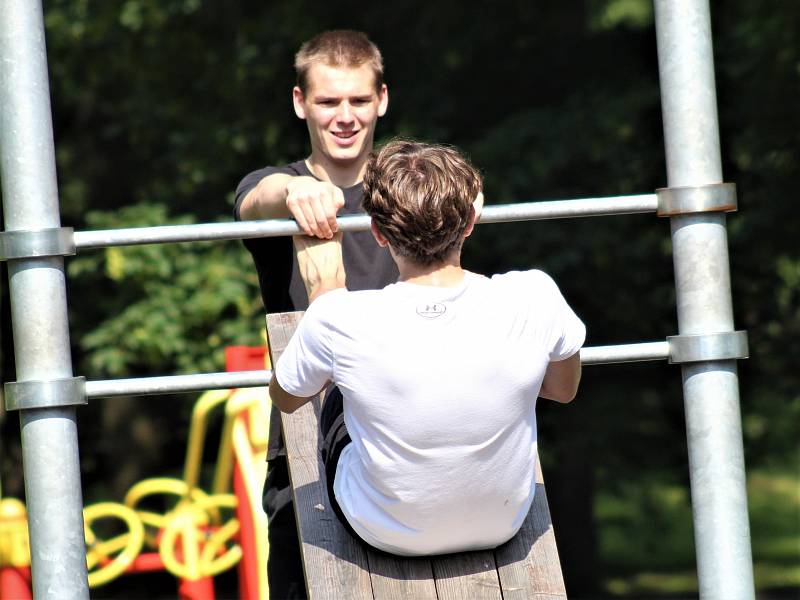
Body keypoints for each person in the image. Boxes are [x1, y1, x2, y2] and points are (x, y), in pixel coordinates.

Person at [269, 140, 585, 556]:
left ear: (378, 233)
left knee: (334, 394)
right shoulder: (535, 294)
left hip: (384, 531)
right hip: (502, 522)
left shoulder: (339, 317)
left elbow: (287, 398)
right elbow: (562, 390)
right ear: (472, 220)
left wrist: (326, 293)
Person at [233, 30, 398, 598]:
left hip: (407, 434)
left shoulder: (408, 192)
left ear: (381, 100)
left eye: (357, 100)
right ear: (301, 103)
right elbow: (257, 198)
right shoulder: (274, 187)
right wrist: (293, 192)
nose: (345, 116)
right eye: (329, 102)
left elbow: (461, 200)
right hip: (306, 442)